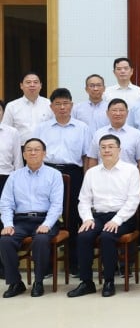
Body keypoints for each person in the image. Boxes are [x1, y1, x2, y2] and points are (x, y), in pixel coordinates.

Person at [67, 134, 140, 298]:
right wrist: (87, 219)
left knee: (108, 236)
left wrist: (116, 220)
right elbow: (84, 200)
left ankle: (109, 281)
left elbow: (133, 200)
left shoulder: (131, 170)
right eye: (103, 147)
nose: (107, 150)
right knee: (84, 236)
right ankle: (87, 282)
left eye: (111, 147)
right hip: (98, 216)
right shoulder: (92, 173)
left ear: (119, 150)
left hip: (123, 217)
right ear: (99, 150)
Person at [34, 87, 89, 272]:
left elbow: (87, 156)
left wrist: (87, 180)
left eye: (66, 103)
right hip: (47, 173)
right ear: (51, 107)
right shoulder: (42, 128)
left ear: (72, 105)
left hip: (74, 174)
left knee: (73, 218)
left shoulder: (82, 127)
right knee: (46, 215)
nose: (62, 107)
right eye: (58, 104)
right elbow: (36, 154)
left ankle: (73, 264)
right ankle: (47, 265)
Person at [0, 138, 63, 298]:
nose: (33, 152)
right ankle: (15, 283)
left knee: (41, 239)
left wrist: (47, 224)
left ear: (44, 153)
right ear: (24, 154)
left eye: (37, 149)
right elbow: (6, 203)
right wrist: (7, 224)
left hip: (45, 220)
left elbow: (57, 205)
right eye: (29, 149)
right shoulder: (14, 176)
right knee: (6, 239)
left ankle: (39, 281)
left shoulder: (54, 175)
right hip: (20, 220)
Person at [86, 99, 140, 179]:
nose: (118, 113)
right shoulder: (99, 134)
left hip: (128, 178)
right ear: (107, 113)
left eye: (121, 110)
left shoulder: (137, 134)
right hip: (103, 178)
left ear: (127, 113)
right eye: (114, 110)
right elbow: (93, 158)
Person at [2, 72, 52, 141]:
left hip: (45, 147)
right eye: (28, 82)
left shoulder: (50, 104)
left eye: (35, 82)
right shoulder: (12, 106)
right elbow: (5, 131)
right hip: (21, 148)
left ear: (40, 85)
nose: (32, 85)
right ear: (21, 86)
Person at [0, 100, 23, 192]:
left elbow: (18, 160)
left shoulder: (12, 132)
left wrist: (19, 180)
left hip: (6, 178)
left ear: (3, 112)